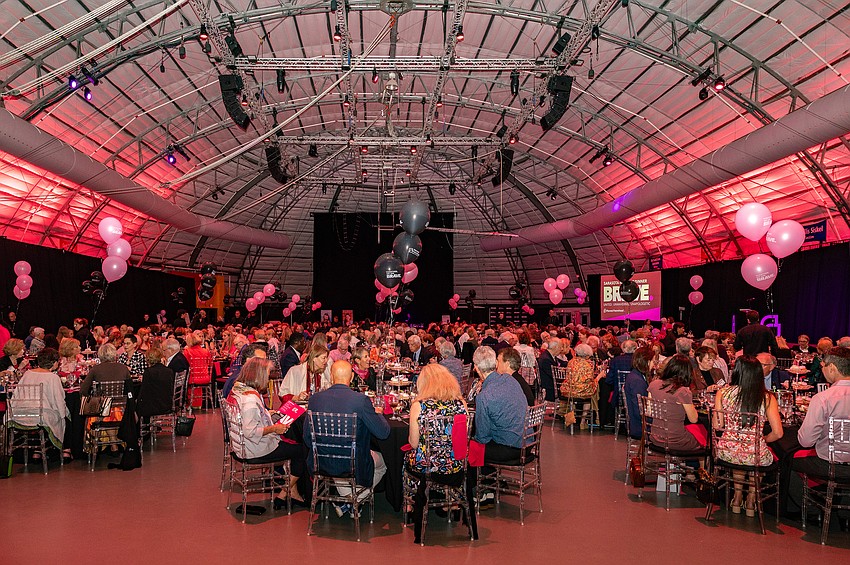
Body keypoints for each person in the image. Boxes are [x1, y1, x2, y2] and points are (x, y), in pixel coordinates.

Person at [304, 360, 390, 517]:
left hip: (322, 461)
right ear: (351, 377)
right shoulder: (360, 400)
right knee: (385, 462)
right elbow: (383, 433)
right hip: (353, 463)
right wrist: (378, 413)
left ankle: (346, 502)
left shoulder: (315, 400)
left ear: (331, 376)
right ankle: (353, 501)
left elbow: (307, 438)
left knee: (338, 457)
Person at [229, 358, 307, 509]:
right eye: (267, 374)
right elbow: (250, 431)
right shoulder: (250, 400)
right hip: (255, 448)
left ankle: (292, 492)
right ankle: (284, 493)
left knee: (290, 442)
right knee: (301, 451)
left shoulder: (238, 390)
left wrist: (266, 413)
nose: (269, 379)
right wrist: (274, 429)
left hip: (240, 445)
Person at [713, 356, 783, 516]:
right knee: (755, 453)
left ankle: (737, 497)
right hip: (754, 453)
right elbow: (779, 433)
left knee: (740, 452)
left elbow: (717, 425)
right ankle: (752, 499)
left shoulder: (723, 393)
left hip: (727, 452)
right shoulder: (767, 398)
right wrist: (763, 440)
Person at [405, 363, 469, 535]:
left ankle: (411, 505)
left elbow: (413, 443)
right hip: (455, 465)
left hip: (427, 467)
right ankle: (451, 501)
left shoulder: (419, 406)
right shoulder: (461, 404)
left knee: (408, 457)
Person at [472, 346, 528, 509]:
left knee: (473, 446)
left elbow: (482, 436)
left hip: (511, 448)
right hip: (526, 442)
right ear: (495, 364)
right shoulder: (510, 380)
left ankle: (484, 493)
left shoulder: (485, 396)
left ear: (476, 368)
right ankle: (493, 486)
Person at [793, 347, 850, 479]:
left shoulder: (823, 398)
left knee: (787, 461)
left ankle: (812, 498)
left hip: (829, 465)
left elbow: (805, 441)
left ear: (832, 368)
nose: (821, 369)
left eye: (823, 366)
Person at [10, 348, 71, 460]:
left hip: (20, 414)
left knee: (50, 416)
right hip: (41, 416)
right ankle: (64, 449)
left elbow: (16, 394)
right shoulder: (53, 377)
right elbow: (59, 400)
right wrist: (64, 414)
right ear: (54, 363)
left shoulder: (27, 374)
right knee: (64, 416)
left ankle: (37, 450)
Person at [646, 354, 703, 452]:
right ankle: (701, 467)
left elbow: (649, 411)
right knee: (704, 437)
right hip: (676, 440)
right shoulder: (683, 391)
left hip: (656, 437)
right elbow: (694, 419)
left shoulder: (654, 384)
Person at [561, 343, 598, 428]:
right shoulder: (587, 364)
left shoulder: (571, 362)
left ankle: (576, 416)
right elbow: (589, 380)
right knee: (593, 393)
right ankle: (583, 420)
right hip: (580, 392)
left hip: (568, 390)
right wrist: (599, 377)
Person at [623, 346, 656, 439]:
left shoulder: (635, 375)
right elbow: (639, 410)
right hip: (641, 426)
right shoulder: (637, 381)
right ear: (646, 362)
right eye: (652, 361)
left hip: (638, 423)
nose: (654, 364)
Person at [136, 346, 175, 419]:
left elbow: (144, 392)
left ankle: (142, 427)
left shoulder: (149, 372)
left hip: (154, 406)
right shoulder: (169, 371)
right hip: (167, 404)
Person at [538, 338, 567, 405]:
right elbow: (555, 375)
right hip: (550, 388)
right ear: (555, 347)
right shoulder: (546, 359)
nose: (561, 349)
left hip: (552, 385)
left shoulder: (550, 356)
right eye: (560, 347)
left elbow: (561, 363)